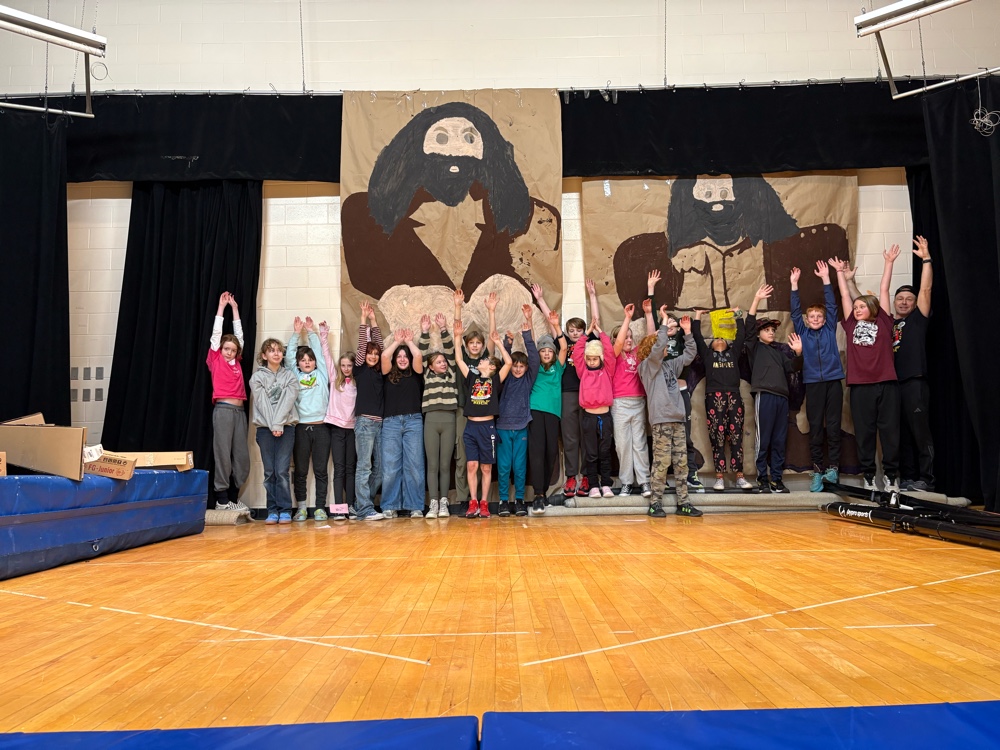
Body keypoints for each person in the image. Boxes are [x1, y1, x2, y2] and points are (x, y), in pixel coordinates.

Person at [831, 250, 900, 493]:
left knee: (890, 433)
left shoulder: (884, 321)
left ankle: (891, 477)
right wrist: (840, 273)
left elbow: (884, 289)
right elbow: (844, 295)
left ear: (872, 308)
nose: (857, 309)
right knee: (865, 433)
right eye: (856, 306)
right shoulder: (851, 325)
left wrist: (888, 262)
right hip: (860, 387)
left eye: (862, 306)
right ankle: (869, 476)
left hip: (887, 384)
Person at [637, 308, 702, 517]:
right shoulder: (646, 367)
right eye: (662, 345)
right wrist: (664, 323)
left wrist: (688, 332)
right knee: (662, 462)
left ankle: (684, 502)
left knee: (681, 463)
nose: (666, 348)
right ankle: (655, 503)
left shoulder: (669, 366)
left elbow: (689, 355)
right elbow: (658, 350)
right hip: (662, 421)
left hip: (678, 420)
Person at [646, 270, 705, 493]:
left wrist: (687, 331)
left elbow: (691, 350)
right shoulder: (656, 347)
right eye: (667, 324)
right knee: (662, 441)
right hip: (661, 396)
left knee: (684, 437)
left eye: (673, 324)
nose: (670, 326)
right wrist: (651, 290)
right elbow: (653, 320)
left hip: (680, 393)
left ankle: (690, 475)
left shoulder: (680, 340)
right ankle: (660, 480)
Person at [790, 261, 846, 492]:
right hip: (813, 384)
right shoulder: (802, 332)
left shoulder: (830, 329)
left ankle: (833, 469)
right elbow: (795, 311)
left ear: (824, 319)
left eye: (818, 316)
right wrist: (794, 285)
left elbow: (832, 305)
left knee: (833, 426)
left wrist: (826, 278)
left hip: (833, 382)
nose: (815, 319)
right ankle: (817, 471)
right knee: (815, 428)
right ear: (807, 319)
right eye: (811, 316)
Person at [746, 284, 803, 493]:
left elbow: (793, 368)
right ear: (758, 333)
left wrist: (798, 353)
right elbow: (749, 327)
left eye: (772, 330)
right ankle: (762, 478)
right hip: (765, 396)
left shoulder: (779, 353)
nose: (771, 333)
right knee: (764, 439)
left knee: (779, 440)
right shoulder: (754, 348)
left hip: (782, 398)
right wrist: (756, 300)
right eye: (766, 330)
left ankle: (776, 480)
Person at [455, 325, 512, 518]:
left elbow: (509, 363)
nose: (481, 360)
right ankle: (473, 502)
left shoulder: (495, 381)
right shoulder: (472, 378)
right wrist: (457, 337)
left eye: (485, 360)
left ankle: (484, 503)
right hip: (471, 427)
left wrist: (498, 343)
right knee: (471, 465)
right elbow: (459, 359)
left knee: (486, 467)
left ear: (492, 367)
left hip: (487, 427)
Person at [692, 307, 751, 491]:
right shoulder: (708, 355)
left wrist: (738, 315)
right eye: (715, 338)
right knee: (717, 437)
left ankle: (739, 476)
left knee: (736, 436)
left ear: (728, 344)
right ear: (710, 346)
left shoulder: (733, 353)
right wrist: (697, 316)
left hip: (734, 396)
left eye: (722, 338)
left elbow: (741, 336)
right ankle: (719, 477)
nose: (719, 339)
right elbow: (697, 337)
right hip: (713, 398)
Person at [893, 235, 935, 491]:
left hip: (914, 383)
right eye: (900, 298)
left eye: (909, 298)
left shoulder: (918, 319)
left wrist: (927, 260)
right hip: (893, 386)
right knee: (902, 435)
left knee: (920, 432)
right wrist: (849, 280)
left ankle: (927, 479)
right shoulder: (889, 324)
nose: (904, 302)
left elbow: (926, 290)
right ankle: (907, 478)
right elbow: (863, 305)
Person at [206, 292, 250, 511]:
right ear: (220, 349)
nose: (230, 352)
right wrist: (222, 307)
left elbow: (239, 337)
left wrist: (235, 308)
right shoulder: (216, 359)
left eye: (233, 350)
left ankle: (233, 498)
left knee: (242, 457)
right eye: (226, 349)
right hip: (223, 410)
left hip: (240, 412)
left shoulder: (236, 361)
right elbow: (216, 333)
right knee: (222, 453)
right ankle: (222, 500)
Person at [497, 304, 540, 517]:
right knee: (504, 466)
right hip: (503, 427)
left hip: (522, 425)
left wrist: (527, 335)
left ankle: (520, 499)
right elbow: (505, 361)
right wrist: (507, 343)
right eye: (515, 365)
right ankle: (504, 501)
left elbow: (534, 358)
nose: (517, 369)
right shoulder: (504, 379)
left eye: (521, 366)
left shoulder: (528, 379)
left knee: (520, 466)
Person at [249, 338, 299, 524]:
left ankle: (285, 510)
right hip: (265, 430)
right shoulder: (257, 378)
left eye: (279, 350)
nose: (276, 353)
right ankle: (272, 510)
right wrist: (273, 426)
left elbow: (287, 402)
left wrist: (278, 424)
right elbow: (262, 403)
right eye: (271, 350)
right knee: (269, 472)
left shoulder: (290, 377)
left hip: (286, 428)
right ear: (264, 355)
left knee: (282, 471)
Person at [286, 316, 330, 522]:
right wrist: (296, 334)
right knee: (301, 471)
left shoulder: (322, 373)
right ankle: (301, 508)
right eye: (303, 360)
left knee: (321, 470)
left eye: (309, 360)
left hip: (322, 428)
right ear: (299, 363)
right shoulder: (294, 375)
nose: (307, 362)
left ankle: (320, 508)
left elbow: (320, 354)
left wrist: (311, 333)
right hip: (301, 428)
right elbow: (288, 359)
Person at [528, 288, 567, 515]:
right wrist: (529, 320)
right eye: (542, 350)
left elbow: (564, 346)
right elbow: (531, 344)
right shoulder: (535, 367)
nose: (545, 353)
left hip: (553, 413)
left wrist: (556, 326)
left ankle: (543, 491)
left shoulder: (558, 368)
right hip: (535, 410)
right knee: (537, 451)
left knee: (551, 452)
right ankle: (538, 495)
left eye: (548, 350)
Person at [379, 328, 425, 518]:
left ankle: (415, 506)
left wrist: (409, 342)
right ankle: (390, 505)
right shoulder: (387, 373)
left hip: (414, 421)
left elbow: (418, 355)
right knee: (390, 466)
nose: (403, 359)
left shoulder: (416, 373)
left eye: (405, 356)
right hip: (391, 423)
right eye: (399, 356)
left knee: (414, 465)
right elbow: (384, 356)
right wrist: (397, 342)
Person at [418, 312, 458, 518]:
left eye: (444, 361)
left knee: (444, 465)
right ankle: (433, 502)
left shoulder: (451, 374)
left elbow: (450, 352)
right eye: (439, 362)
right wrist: (425, 332)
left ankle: (444, 502)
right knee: (432, 465)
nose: (443, 363)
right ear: (431, 367)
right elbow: (421, 354)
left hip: (449, 420)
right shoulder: (427, 375)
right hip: (431, 421)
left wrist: (443, 329)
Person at [453, 288, 490, 508]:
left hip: (483, 416)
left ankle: (482, 500)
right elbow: (457, 335)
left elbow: (493, 340)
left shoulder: (486, 362)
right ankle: (463, 498)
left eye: (478, 343)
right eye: (471, 343)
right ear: (467, 346)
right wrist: (458, 306)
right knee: (463, 456)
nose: (475, 346)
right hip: (463, 410)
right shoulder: (464, 361)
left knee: (483, 459)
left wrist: (491, 312)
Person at [573, 317, 616, 500]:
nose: (591, 362)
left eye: (594, 359)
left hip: (605, 417)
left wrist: (601, 333)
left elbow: (610, 352)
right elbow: (577, 353)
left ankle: (606, 484)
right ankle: (593, 486)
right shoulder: (582, 371)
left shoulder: (607, 371)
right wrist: (586, 334)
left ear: (600, 358)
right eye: (589, 359)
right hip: (588, 418)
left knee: (605, 452)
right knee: (591, 454)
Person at [610, 303, 651, 498]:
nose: (628, 340)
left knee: (640, 444)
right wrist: (627, 318)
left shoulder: (637, 353)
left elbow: (651, 339)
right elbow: (618, 343)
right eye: (625, 336)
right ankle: (626, 482)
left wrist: (648, 314)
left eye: (630, 337)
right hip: (620, 404)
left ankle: (644, 481)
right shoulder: (614, 355)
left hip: (638, 402)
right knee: (622, 444)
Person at [352, 301, 386, 521]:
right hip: (364, 423)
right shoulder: (360, 369)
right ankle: (364, 508)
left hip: (380, 423)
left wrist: (375, 321)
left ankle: (361, 505)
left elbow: (379, 347)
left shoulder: (380, 371)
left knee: (380, 469)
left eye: (375, 354)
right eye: (369, 354)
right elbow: (363, 345)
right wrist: (364, 319)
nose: (372, 356)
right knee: (364, 467)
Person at [320, 321, 357, 521]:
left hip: (352, 429)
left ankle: (350, 506)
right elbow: (327, 357)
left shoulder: (357, 384)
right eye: (343, 365)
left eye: (349, 365)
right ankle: (339, 509)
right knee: (339, 468)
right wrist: (323, 335)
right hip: (336, 429)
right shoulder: (335, 379)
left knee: (351, 468)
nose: (346, 368)